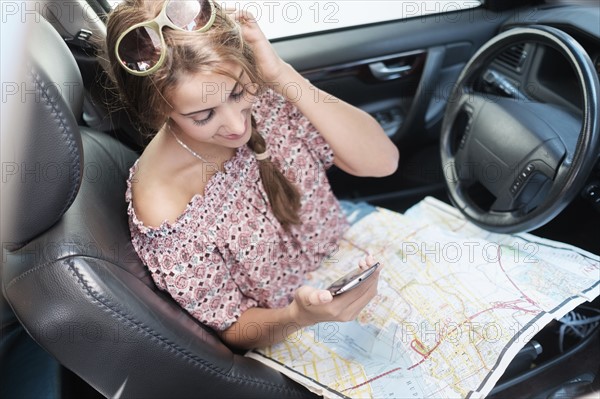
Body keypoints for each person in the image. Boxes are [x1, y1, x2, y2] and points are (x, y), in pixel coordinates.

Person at [105, 0, 399, 350]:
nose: (235, 125)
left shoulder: (269, 96)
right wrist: (299, 316)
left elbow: (382, 162)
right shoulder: (164, 205)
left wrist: (280, 74)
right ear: (159, 112)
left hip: (348, 248)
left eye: (239, 92)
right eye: (203, 115)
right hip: (290, 322)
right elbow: (231, 326)